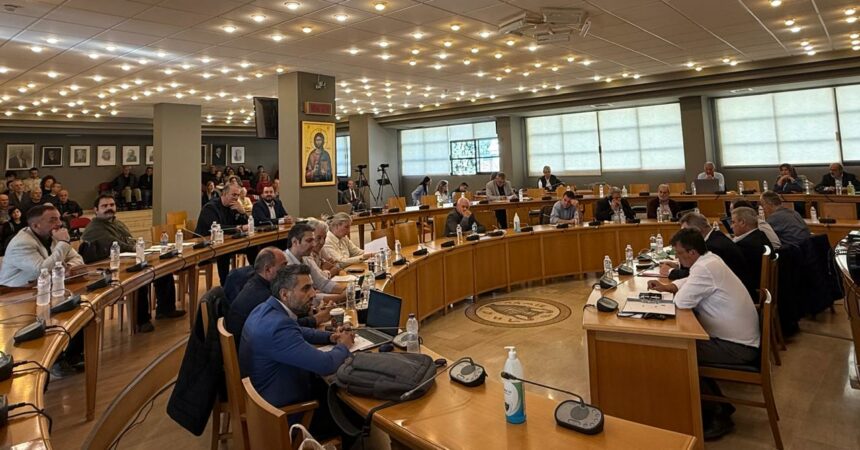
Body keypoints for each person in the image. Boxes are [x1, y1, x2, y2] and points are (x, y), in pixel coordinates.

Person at [648, 228, 760, 440]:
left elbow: (682, 302)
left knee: (679, 352)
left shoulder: (705, 268)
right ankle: (720, 407)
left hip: (737, 347)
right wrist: (669, 286)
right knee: (684, 345)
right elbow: (690, 281)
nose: (678, 259)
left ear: (692, 252)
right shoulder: (709, 260)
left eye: (679, 254)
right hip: (739, 340)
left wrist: (673, 291)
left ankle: (717, 416)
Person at [239, 265, 354, 439]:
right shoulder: (278, 328)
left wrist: (330, 337)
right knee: (353, 414)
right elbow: (326, 364)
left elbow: (297, 329)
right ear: (285, 294)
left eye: (312, 287)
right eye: (305, 289)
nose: (313, 294)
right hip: (286, 417)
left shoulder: (264, 309)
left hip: (267, 402)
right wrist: (343, 345)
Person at [80, 195, 185, 332]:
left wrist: (140, 248)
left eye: (111, 205)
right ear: (96, 210)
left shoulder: (117, 223)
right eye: (104, 206)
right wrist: (136, 248)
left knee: (162, 267)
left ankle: (166, 309)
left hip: (127, 261)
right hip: (107, 270)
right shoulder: (94, 228)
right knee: (139, 277)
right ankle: (141, 321)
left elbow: (130, 240)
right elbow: (117, 245)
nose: (109, 208)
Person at [226, 247, 326, 341]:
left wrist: (310, 311)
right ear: (268, 269)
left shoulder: (261, 282)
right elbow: (287, 326)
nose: (287, 270)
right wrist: (317, 319)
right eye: (283, 265)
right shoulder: (261, 295)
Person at [661, 212, 752, 294]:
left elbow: (698, 276)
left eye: (686, 232)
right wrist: (678, 266)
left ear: (696, 231)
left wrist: (670, 271)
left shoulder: (713, 246)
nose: (683, 236)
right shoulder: (715, 236)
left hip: (735, 294)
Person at [0, 204, 83, 286]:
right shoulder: (21, 244)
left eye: (59, 218)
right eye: (52, 220)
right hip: (15, 291)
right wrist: (64, 242)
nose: (60, 223)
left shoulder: (53, 235)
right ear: (35, 225)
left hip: (44, 285)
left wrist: (68, 267)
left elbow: (77, 258)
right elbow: (43, 271)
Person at [195, 183, 252, 285]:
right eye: (233, 195)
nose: (236, 198)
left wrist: (242, 212)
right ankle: (225, 284)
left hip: (226, 241)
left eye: (237, 195)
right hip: (205, 244)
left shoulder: (233, 207)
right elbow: (217, 227)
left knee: (252, 246)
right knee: (224, 252)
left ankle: (255, 277)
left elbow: (247, 224)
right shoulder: (210, 207)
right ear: (224, 194)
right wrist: (238, 228)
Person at [285, 223, 345, 305]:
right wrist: (342, 297)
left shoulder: (306, 258)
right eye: (309, 241)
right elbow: (305, 298)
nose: (313, 244)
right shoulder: (285, 263)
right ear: (295, 242)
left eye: (313, 240)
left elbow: (323, 283)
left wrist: (347, 289)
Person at [730, 206, 773, 292]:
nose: (731, 226)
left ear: (742, 222)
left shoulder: (745, 245)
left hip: (751, 291)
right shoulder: (760, 235)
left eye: (733, 222)